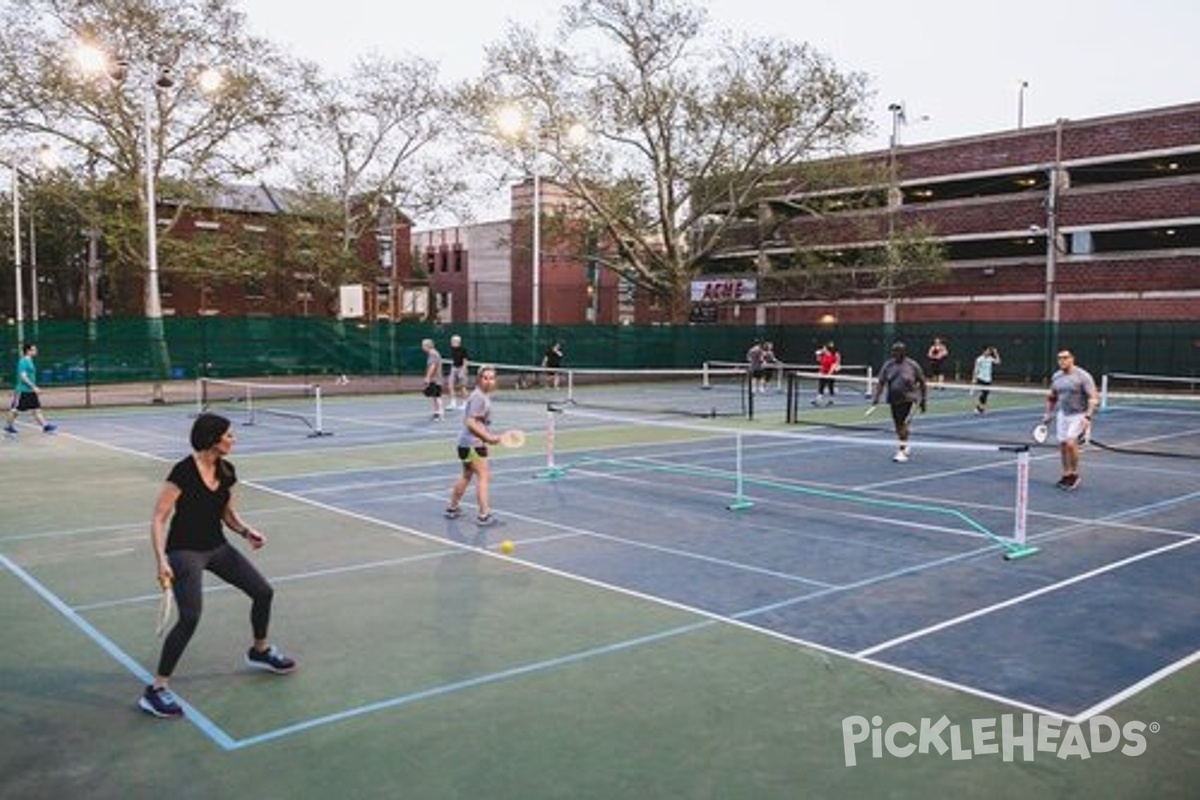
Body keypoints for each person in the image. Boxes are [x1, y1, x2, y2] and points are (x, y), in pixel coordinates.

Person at [139, 413, 295, 719]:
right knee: (191, 616)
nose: (233, 439)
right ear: (213, 438)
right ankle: (156, 689)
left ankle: (259, 651)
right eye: (229, 435)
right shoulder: (183, 471)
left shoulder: (226, 471)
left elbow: (228, 515)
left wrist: (247, 532)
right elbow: (159, 517)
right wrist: (161, 561)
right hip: (185, 551)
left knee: (263, 592)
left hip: (217, 547)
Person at [445, 365, 501, 526]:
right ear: (479, 379)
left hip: (466, 444)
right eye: (485, 378)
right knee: (483, 477)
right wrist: (488, 438)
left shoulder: (482, 396)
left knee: (466, 475)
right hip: (472, 445)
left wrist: (486, 439)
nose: (489, 381)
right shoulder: (479, 397)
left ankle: (452, 508)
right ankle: (484, 515)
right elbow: (470, 422)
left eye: (491, 378)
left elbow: (479, 423)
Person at [1043, 349, 1099, 490]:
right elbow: (1052, 397)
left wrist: (1088, 416)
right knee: (1062, 445)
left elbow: (1093, 398)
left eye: (1065, 358)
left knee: (1070, 443)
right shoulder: (1056, 377)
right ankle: (1066, 474)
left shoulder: (1083, 376)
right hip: (1063, 414)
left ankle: (1074, 474)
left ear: (1072, 359)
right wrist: (1048, 413)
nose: (1062, 360)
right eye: (1059, 358)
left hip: (1079, 415)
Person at [870, 341, 928, 463]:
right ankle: (905, 444)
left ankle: (901, 451)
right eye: (894, 350)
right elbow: (881, 382)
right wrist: (876, 397)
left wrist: (923, 400)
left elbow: (922, 382)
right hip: (894, 399)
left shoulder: (912, 365)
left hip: (910, 399)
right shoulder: (888, 365)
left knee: (904, 424)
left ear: (903, 352)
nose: (896, 353)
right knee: (898, 425)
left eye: (898, 350)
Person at [5, 343, 57, 435]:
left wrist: (33, 389)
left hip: (30, 391)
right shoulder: (23, 361)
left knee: (36, 409)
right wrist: (34, 387)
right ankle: (8, 426)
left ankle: (45, 426)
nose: (36, 351)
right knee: (15, 410)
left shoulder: (30, 361)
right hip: (22, 391)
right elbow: (23, 377)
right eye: (34, 349)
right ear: (28, 351)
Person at [971, 345, 1002, 414]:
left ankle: (981, 408)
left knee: (985, 395)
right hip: (980, 378)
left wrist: (996, 353)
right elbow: (976, 369)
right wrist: (974, 379)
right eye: (987, 351)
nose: (989, 352)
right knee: (980, 394)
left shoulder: (990, 358)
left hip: (988, 379)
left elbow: (998, 362)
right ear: (984, 351)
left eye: (989, 351)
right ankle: (977, 408)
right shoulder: (979, 359)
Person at [421, 338, 445, 420]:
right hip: (435, 379)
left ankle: (440, 413)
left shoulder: (433, 354)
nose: (422, 347)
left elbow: (432, 366)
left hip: (436, 379)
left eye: (423, 345)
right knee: (435, 396)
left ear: (428, 346)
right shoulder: (433, 353)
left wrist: (427, 377)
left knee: (437, 396)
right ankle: (437, 412)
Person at [812, 341, 841, 406]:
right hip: (822, 373)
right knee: (821, 386)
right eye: (823, 348)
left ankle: (831, 400)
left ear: (827, 349)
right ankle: (818, 400)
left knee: (830, 387)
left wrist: (829, 374)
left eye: (824, 348)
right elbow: (819, 360)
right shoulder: (823, 356)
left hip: (830, 374)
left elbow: (833, 366)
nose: (823, 349)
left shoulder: (833, 356)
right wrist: (817, 355)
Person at [446, 334, 470, 410]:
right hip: (454, 368)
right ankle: (453, 403)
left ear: (458, 342)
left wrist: (463, 371)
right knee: (450, 385)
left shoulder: (463, 350)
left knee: (462, 387)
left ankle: (465, 403)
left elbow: (465, 361)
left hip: (462, 368)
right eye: (451, 341)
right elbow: (454, 360)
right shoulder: (452, 349)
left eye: (453, 341)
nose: (451, 342)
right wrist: (452, 368)